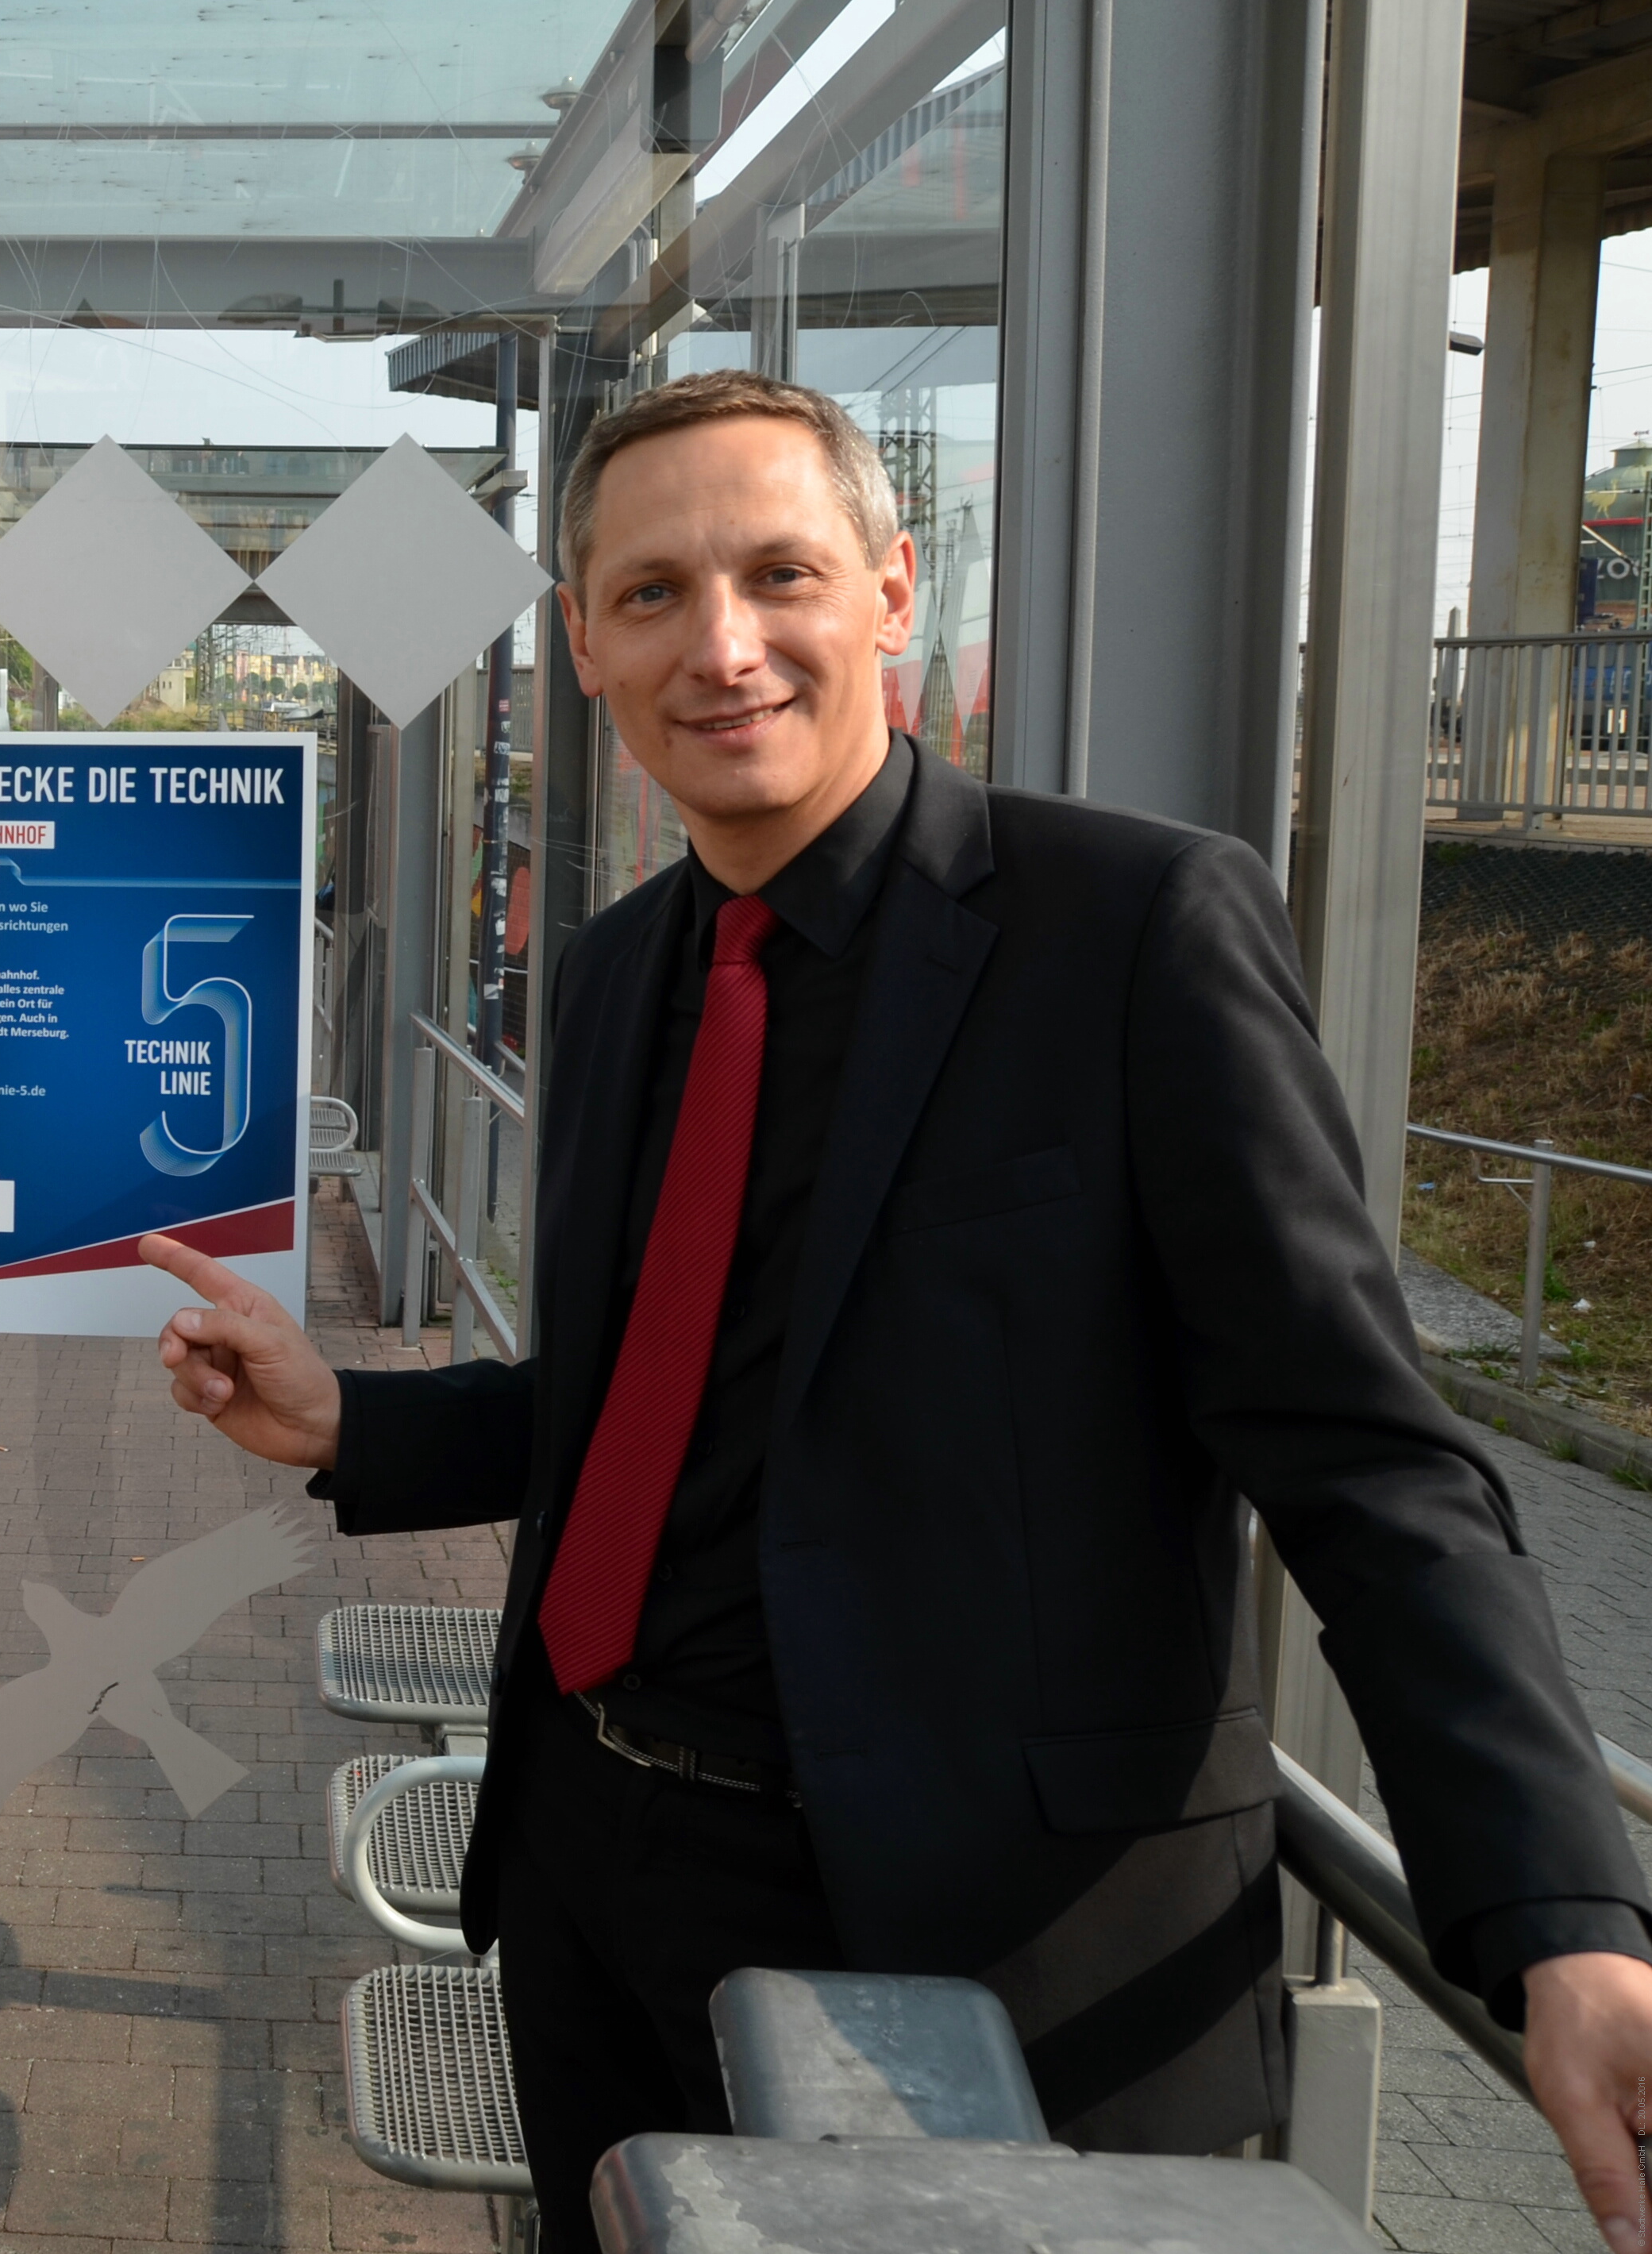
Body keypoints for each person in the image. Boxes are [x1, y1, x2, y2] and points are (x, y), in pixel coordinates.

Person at [141, 369, 1652, 2250]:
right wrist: (352, 1420)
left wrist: (1559, 1915)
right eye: (650, 594)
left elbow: (1365, 1464)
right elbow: (651, 1397)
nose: (722, 646)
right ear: (586, 648)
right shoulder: (614, 978)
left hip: (984, 1934)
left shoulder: (1132, 933)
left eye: (778, 574)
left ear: (890, 592)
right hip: (590, 1876)